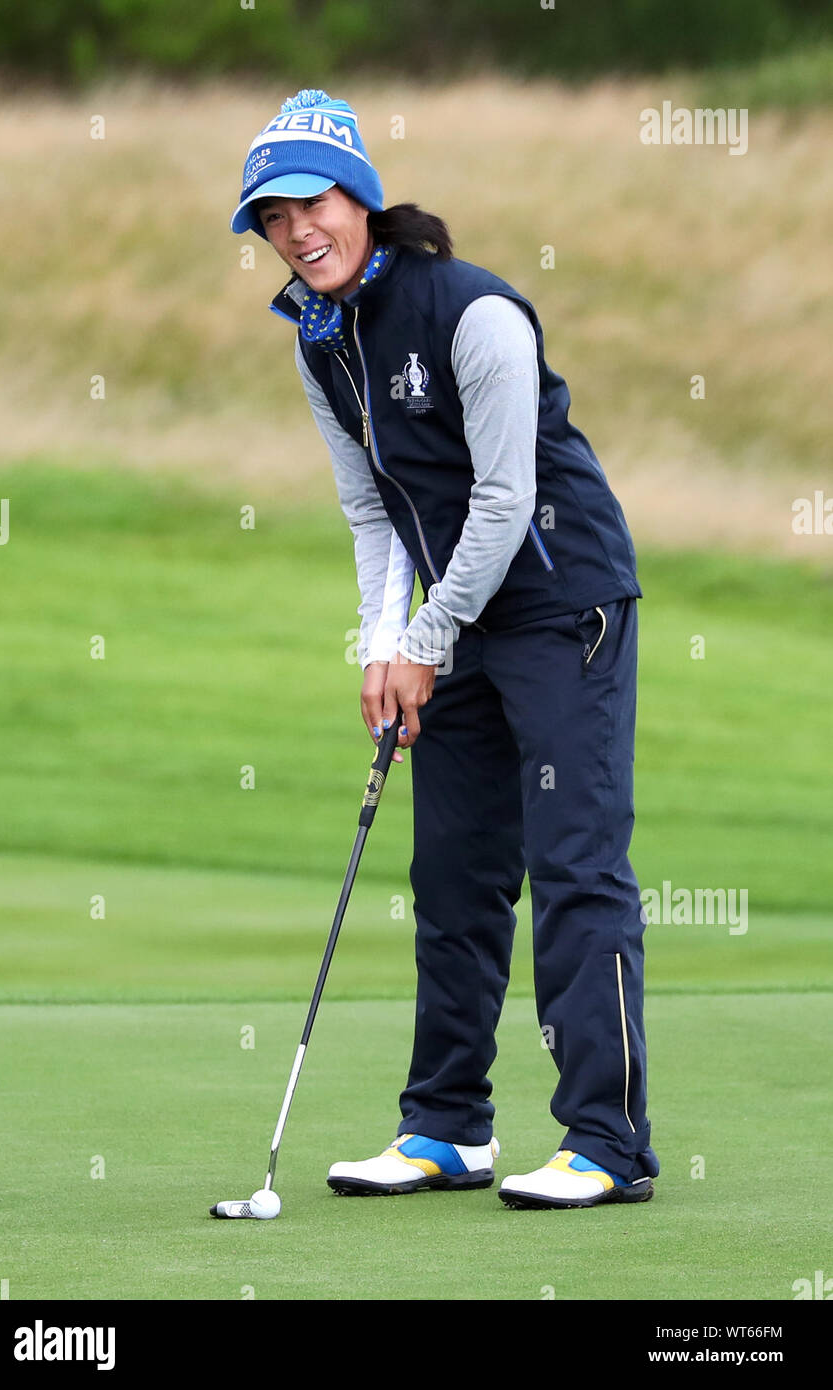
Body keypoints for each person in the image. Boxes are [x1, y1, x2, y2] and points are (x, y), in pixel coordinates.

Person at [230, 88, 660, 1209]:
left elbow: (508, 496)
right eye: (271, 217)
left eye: (312, 202)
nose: (295, 231)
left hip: (563, 608)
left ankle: (607, 1143)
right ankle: (446, 1127)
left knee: (573, 866)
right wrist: (382, 646)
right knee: (453, 874)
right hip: (456, 622)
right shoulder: (320, 344)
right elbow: (375, 514)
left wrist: (425, 636)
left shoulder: (474, 314)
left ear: (360, 195)